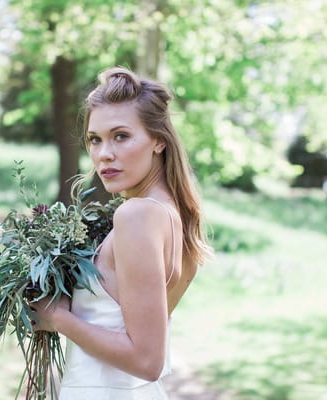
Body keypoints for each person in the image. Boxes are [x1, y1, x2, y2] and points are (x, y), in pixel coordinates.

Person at [34, 66, 211, 399]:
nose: (104, 155)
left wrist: (57, 318)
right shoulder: (173, 217)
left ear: (158, 140)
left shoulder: (136, 215)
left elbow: (146, 360)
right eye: (94, 140)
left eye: (121, 136)